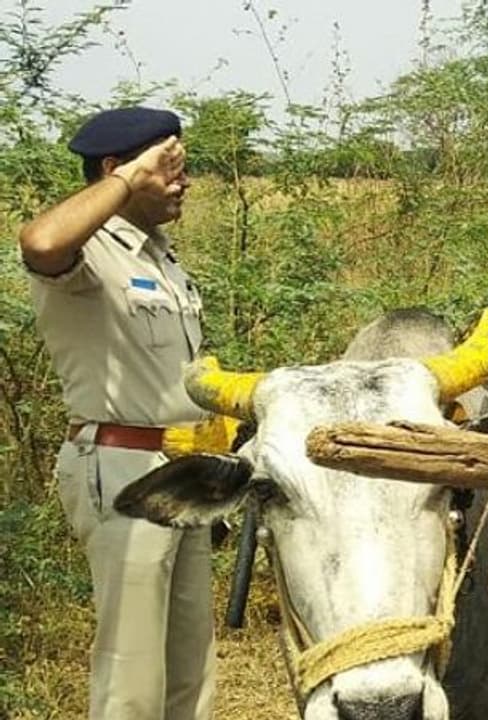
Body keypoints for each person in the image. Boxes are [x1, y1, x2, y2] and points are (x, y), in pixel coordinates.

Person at [19, 107, 214, 719]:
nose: (183, 182)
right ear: (115, 169)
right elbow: (39, 242)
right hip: (122, 467)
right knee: (132, 667)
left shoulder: (161, 258)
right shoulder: (89, 252)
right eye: (169, 168)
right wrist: (132, 178)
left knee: (190, 663)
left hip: (184, 468)